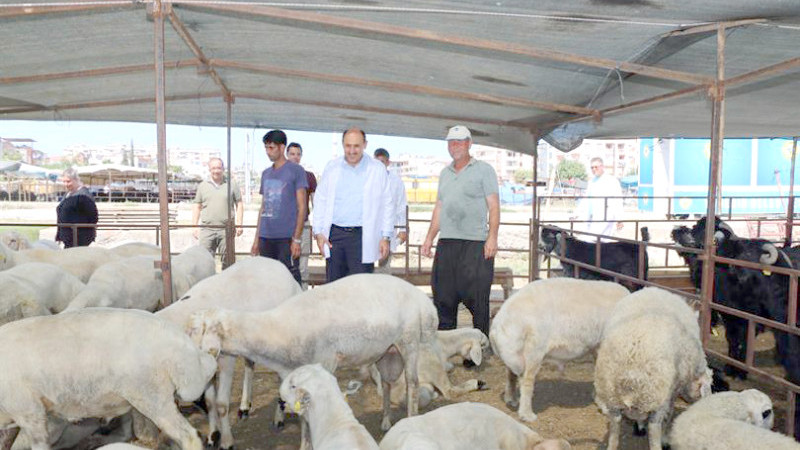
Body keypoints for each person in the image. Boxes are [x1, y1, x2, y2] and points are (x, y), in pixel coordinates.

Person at [421, 125, 499, 337]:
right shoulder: (444, 174)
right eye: (451, 142)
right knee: (443, 297)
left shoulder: (484, 170)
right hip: (447, 243)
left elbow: (493, 205)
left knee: (477, 298)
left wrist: (492, 237)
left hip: (474, 243)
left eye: (459, 141)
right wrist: (429, 238)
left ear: (469, 143)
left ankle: (478, 347)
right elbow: (439, 207)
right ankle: (446, 347)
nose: (454, 146)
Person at [312, 128, 394, 283]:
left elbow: (387, 204)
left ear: (365, 145)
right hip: (334, 237)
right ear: (343, 145)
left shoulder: (377, 169)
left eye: (356, 146)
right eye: (348, 146)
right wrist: (318, 232)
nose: (352, 151)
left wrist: (385, 237)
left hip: (362, 237)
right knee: (334, 286)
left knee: (360, 288)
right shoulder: (332, 167)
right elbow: (320, 200)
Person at [251, 130, 308, 285]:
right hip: (266, 237)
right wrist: (256, 239)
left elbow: (302, 207)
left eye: (272, 148)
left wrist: (296, 239)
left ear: (282, 148)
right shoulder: (265, 174)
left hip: (286, 238)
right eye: (266, 148)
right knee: (267, 280)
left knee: (290, 278)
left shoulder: (296, 171)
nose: (268, 152)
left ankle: (296, 308)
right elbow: (263, 207)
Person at [191, 157, 244, 268]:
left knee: (228, 261)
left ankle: (227, 283)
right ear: (209, 169)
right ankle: (206, 284)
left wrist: (239, 224)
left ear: (223, 169)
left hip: (226, 229)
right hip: (207, 229)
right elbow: (197, 206)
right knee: (204, 261)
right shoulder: (203, 186)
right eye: (213, 168)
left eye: (219, 168)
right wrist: (194, 226)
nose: (216, 171)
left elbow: (239, 204)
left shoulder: (232, 184)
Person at [286, 142, 317, 290]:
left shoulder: (309, 177)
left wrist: (317, 227)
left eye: (298, 154)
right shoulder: (281, 174)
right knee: (286, 264)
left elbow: (315, 202)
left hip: (304, 224)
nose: (295, 157)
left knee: (303, 265)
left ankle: (303, 294)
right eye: (292, 154)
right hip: (286, 226)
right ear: (287, 155)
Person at [373, 148, 408, 274]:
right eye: (376, 162)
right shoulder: (367, 180)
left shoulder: (396, 182)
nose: (379, 165)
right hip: (370, 229)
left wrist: (403, 230)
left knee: (384, 267)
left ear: (388, 163)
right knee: (365, 267)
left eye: (382, 162)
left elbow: (401, 206)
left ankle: (383, 293)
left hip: (388, 229)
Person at [572, 156, 624, 240]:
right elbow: (586, 199)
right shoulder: (591, 182)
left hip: (606, 216)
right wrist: (577, 213)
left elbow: (618, 200)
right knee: (589, 240)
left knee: (600, 241)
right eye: (592, 167)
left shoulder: (611, 181)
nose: (594, 169)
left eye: (596, 167)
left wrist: (620, 218)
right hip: (591, 216)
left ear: (602, 167)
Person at [56, 168, 98, 248]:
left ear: (76, 180)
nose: (65, 184)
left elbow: (93, 217)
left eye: (68, 181)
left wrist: (80, 233)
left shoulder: (84, 195)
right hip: (68, 237)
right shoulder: (68, 194)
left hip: (78, 239)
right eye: (64, 181)